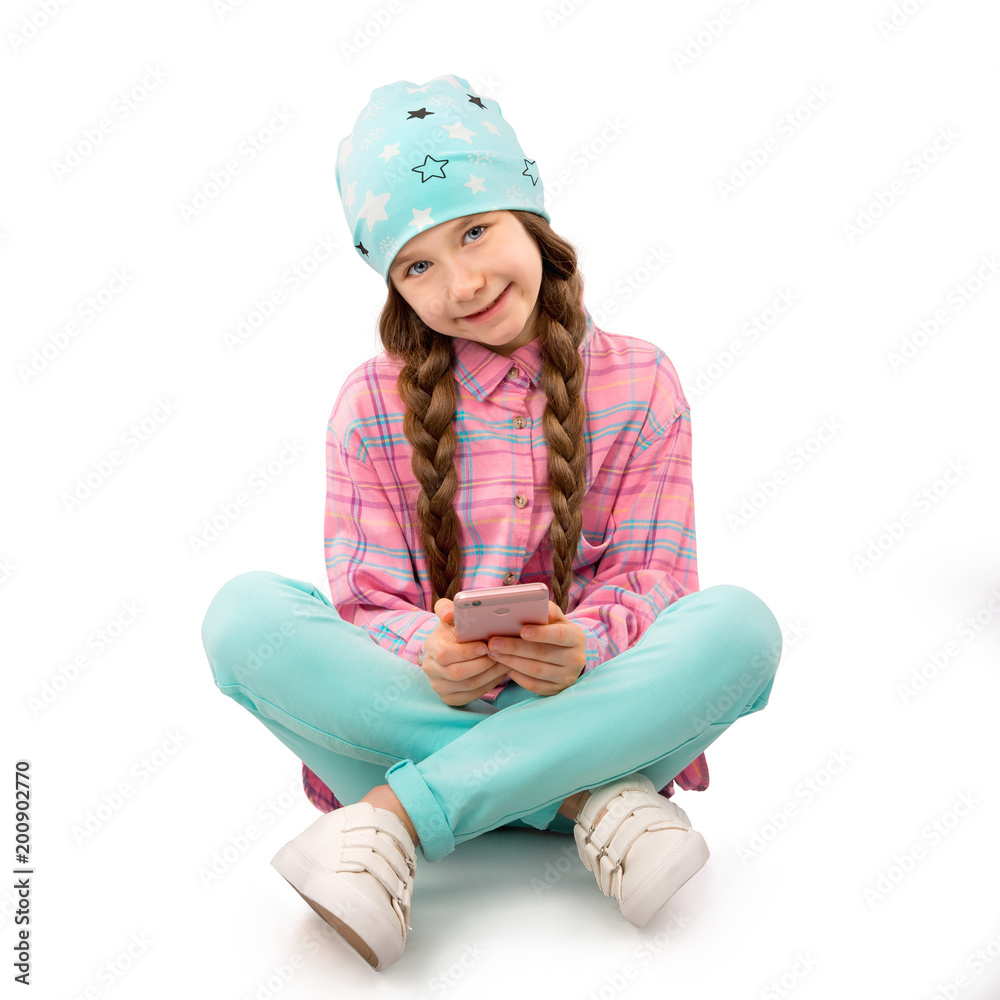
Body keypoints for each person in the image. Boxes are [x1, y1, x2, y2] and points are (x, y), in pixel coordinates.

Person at [200, 72, 783, 972]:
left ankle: (398, 822)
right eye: (418, 264)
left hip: (571, 706)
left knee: (740, 629)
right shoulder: (370, 402)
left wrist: (580, 649)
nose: (463, 282)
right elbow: (365, 603)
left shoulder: (642, 383)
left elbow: (658, 585)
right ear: (393, 285)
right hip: (488, 722)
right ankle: (595, 801)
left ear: (532, 223)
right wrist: (429, 656)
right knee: (243, 618)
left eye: (475, 231)